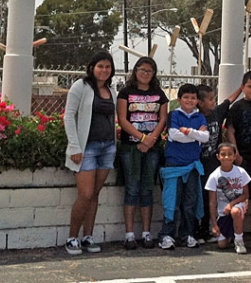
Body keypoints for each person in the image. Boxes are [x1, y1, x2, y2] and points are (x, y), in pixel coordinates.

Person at [63, 51, 116, 256]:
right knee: (84, 195)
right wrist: (74, 146)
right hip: (87, 149)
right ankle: (72, 237)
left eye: (108, 67)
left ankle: (88, 236)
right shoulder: (81, 87)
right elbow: (69, 116)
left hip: (107, 148)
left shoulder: (111, 90)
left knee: (94, 194)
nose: (104, 70)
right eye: (100, 66)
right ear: (92, 67)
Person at [116, 56, 168, 250]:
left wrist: (151, 139)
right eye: (142, 70)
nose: (145, 74)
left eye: (149, 71)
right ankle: (129, 234)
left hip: (152, 148)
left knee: (147, 188)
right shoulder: (125, 92)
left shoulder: (159, 94)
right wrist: (141, 138)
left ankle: (146, 233)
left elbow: (162, 119)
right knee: (132, 188)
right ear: (135, 71)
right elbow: (122, 119)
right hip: (131, 147)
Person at [158, 84, 209, 250]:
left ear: (197, 101)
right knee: (172, 201)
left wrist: (188, 131)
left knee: (190, 203)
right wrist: (195, 134)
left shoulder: (200, 117)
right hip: (174, 165)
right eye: (186, 97)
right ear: (179, 99)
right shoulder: (174, 114)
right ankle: (167, 235)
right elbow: (174, 135)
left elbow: (205, 137)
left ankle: (187, 234)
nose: (189, 100)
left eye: (193, 98)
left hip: (192, 166)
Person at [196, 83, 242, 243]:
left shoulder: (216, 113)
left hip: (214, 165)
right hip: (200, 165)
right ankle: (198, 231)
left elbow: (228, 101)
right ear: (200, 102)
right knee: (199, 197)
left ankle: (209, 228)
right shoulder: (196, 118)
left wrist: (241, 87)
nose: (214, 101)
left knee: (212, 197)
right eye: (210, 99)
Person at [204, 142, 251, 254]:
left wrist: (231, 204)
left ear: (235, 156)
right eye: (223, 154)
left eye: (230, 154)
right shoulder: (214, 176)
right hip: (223, 213)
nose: (226, 157)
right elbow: (212, 202)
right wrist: (214, 225)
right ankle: (231, 234)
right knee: (222, 245)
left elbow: (246, 194)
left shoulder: (241, 172)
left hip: (239, 205)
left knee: (235, 211)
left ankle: (239, 241)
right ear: (218, 156)